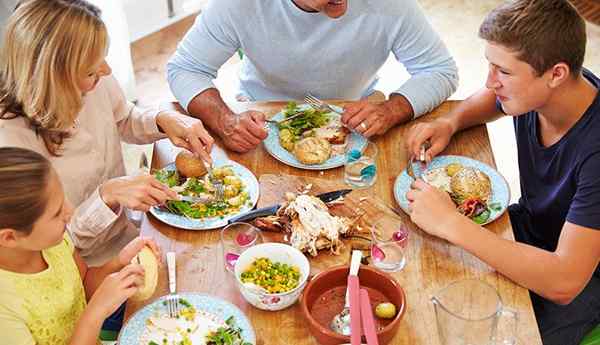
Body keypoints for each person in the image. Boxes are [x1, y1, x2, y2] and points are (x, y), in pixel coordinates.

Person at [405, 1, 600, 344]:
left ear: (556, 73)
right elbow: (491, 98)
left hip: (583, 276)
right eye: (490, 66)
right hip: (532, 228)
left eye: (504, 72)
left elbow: (565, 281)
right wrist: (451, 121)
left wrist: (452, 223)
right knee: (424, 275)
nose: (490, 81)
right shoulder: (542, 93)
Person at [0, 0, 214, 265]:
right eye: (90, 69)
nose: (106, 70)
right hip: (84, 269)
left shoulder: (93, 80)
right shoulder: (10, 147)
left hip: (131, 232)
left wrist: (162, 119)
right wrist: (106, 196)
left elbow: (123, 118)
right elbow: (49, 247)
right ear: (52, 77)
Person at [167, 0, 459, 152]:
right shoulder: (238, 5)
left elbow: (440, 70)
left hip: (353, 119)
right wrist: (225, 121)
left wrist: (392, 110)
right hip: (260, 120)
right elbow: (186, 68)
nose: (342, 4)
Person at [0, 147, 159, 345]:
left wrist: (119, 261)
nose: (70, 211)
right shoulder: (4, 313)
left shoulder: (54, 243)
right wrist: (97, 310)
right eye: (57, 213)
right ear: (9, 238)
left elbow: (84, 283)